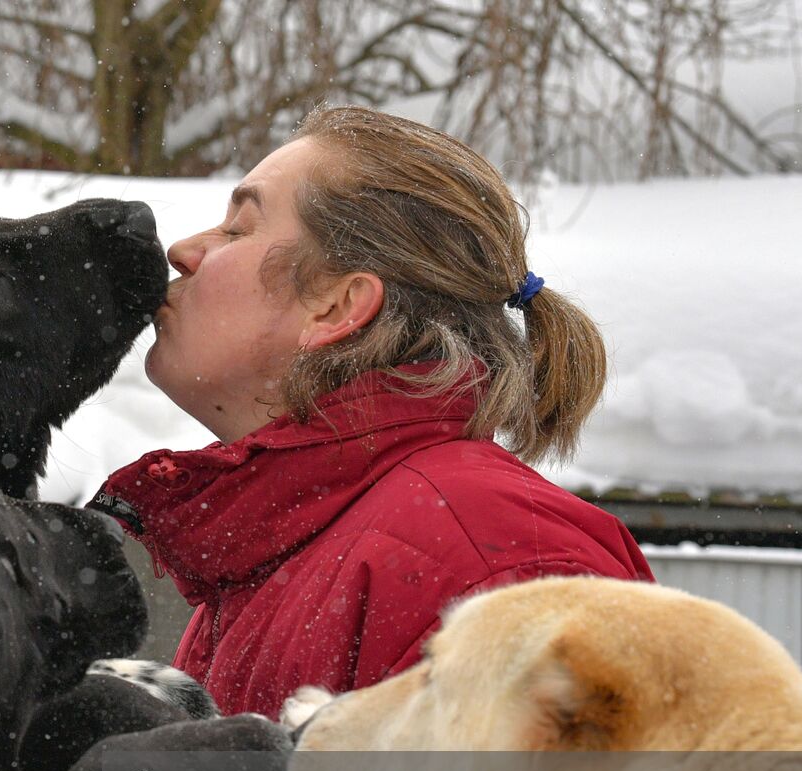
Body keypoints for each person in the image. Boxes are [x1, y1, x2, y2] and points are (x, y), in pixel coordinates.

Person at [88, 105, 654, 719]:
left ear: (336, 306)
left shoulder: (497, 563)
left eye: (237, 229)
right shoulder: (292, 537)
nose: (182, 250)